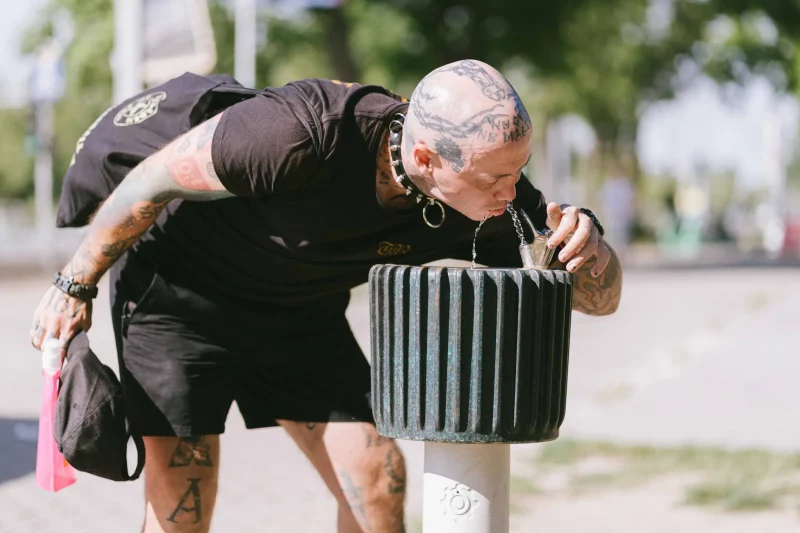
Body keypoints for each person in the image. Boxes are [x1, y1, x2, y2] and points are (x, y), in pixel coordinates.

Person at [31, 60, 622, 533]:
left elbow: (601, 301)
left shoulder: (488, 197)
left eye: (517, 172)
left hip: (296, 313)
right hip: (181, 298)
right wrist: (73, 283)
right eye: (497, 178)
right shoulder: (299, 132)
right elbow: (149, 179)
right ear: (425, 159)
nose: (511, 191)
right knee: (183, 508)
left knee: (378, 477)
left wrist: (591, 252)